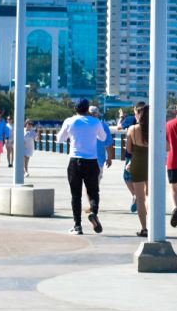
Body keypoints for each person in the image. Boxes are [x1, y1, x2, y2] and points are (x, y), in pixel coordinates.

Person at [57, 98, 109, 235]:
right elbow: (103, 138)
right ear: (87, 109)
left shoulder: (69, 121)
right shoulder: (96, 122)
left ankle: (77, 226)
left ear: (75, 109)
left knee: (76, 195)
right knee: (93, 192)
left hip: (74, 161)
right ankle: (93, 211)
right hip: (92, 161)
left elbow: (59, 139)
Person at [125, 103, 150, 236]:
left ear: (139, 115)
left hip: (137, 164)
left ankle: (144, 228)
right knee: (150, 196)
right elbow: (167, 147)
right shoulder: (155, 129)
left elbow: (128, 150)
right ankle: (153, 225)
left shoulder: (132, 129)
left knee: (140, 198)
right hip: (151, 164)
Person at [121, 101, 144, 212]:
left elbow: (119, 127)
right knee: (144, 178)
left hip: (132, 154)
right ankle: (142, 197)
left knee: (127, 177)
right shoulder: (150, 122)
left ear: (136, 110)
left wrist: (121, 117)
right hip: (145, 154)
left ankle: (135, 195)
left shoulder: (130, 120)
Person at [89, 105, 115, 175]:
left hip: (85, 159)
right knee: (94, 183)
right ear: (97, 114)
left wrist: (109, 158)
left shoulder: (83, 124)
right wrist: (109, 158)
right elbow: (108, 144)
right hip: (98, 160)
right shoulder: (103, 125)